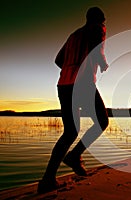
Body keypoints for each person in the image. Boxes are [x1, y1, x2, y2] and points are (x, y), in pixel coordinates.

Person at [38, 7, 109, 194]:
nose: (104, 24)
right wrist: (102, 62)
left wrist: (71, 66)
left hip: (64, 85)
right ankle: (75, 155)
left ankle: (47, 179)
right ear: (98, 20)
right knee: (102, 121)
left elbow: (58, 60)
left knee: (70, 131)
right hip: (83, 83)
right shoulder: (98, 29)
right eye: (103, 20)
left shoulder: (74, 35)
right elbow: (96, 47)